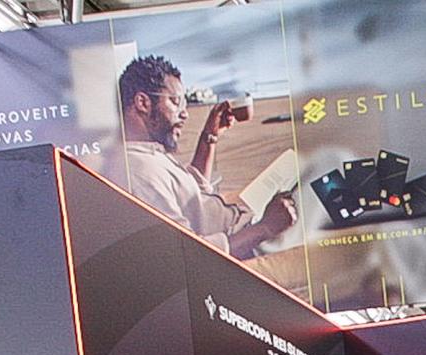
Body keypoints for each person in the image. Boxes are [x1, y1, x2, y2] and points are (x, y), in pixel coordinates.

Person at [118, 56, 296, 260]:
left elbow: (193, 196)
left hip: (250, 226)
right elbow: (191, 254)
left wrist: (209, 136)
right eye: (175, 102)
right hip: (252, 244)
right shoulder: (139, 172)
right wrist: (266, 228)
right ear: (142, 103)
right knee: (319, 169)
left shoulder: (149, 152)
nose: (184, 113)